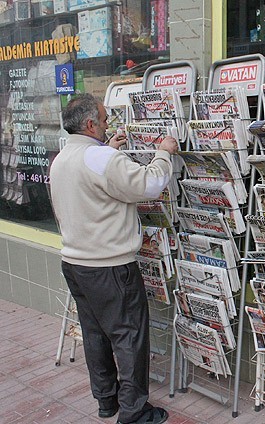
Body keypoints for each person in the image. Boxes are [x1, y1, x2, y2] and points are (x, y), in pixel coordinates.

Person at [49, 94, 178, 424]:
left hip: (75, 264)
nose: (108, 125)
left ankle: (106, 401)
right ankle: (134, 412)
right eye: (104, 121)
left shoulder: (62, 158)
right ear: (91, 125)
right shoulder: (103, 158)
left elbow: (91, 183)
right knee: (129, 336)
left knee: (94, 333)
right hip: (110, 266)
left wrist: (110, 151)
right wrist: (164, 152)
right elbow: (150, 184)